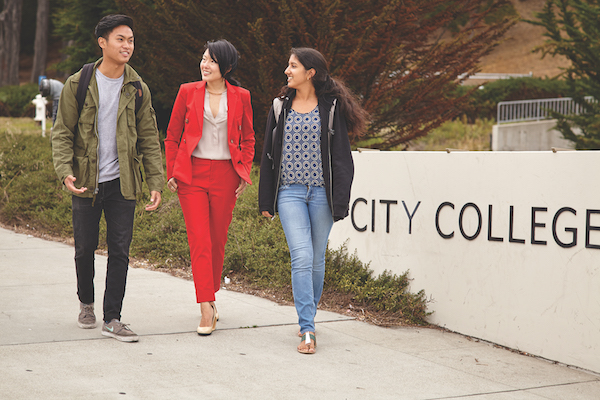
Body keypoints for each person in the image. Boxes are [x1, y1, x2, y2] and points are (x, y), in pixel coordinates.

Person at [52, 14, 164, 342]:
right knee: (84, 247)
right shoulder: (79, 83)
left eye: (130, 40)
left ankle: (112, 317)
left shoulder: (137, 88)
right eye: (120, 39)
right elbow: (61, 133)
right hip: (86, 180)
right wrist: (65, 172)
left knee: (120, 249)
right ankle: (86, 303)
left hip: (122, 181)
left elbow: (148, 138)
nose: (127, 45)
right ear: (102, 42)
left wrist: (155, 182)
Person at [259, 48, 367, 354]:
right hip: (289, 193)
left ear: (311, 73)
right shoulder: (280, 106)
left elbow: (343, 159)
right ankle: (307, 328)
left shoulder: (331, 108)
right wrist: (266, 199)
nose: (287, 70)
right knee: (302, 256)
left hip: (321, 193)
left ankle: (310, 318)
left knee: (317, 260)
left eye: (293, 66)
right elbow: (269, 155)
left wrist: (340, 201)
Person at [164, 39, 255, 336]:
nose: (205, 65)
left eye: (212, 61)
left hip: (226, 175)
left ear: (226, 67)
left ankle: (210, 291)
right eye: (203, 59)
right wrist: (172, 171)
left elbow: (249, 139)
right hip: (192, 174)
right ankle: (206, 305)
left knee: (217, 240)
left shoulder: (241, 96)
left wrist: (243, 172)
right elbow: (172, 135)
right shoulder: (187, 91)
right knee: (199, 240)